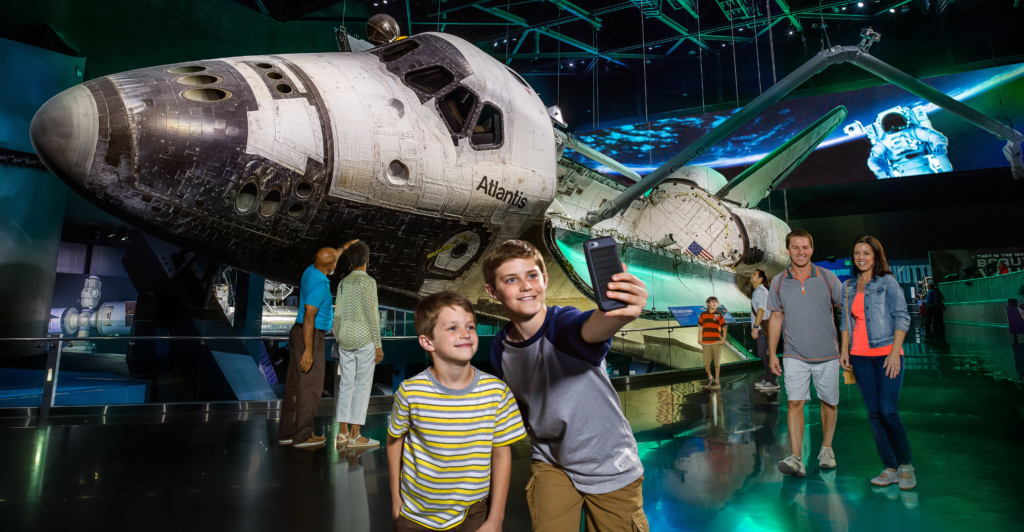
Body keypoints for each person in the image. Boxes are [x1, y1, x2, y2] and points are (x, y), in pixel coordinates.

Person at [484, 240, 650, 532]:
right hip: (551, 462)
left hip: (608, 462)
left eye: (532, 275)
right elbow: (521, 406)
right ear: (493, 292)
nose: (525, 286)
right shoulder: (500, 349)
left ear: (545, 280)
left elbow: (589, 329)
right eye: (511, 279)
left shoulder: (563, 326)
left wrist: (620, 312)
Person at [387, 292, 526, 532]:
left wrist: (496, 519)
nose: (466, 334)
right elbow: (394, 441)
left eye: (470, 326)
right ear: (427, 342)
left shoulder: (497, 392)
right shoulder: (410, 392)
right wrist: (396, 499)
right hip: (416, 515)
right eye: (452, 328)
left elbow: (502, 455)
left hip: (473, 513)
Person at [839, 235, 916, 490]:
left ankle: (905, 465)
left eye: (866, 253)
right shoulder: (848, 286)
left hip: (886, 355)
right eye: (857, 253)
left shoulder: (887, 282)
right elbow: (845, 324)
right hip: (860, 358)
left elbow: (902, 317)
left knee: (888, 411)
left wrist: (895, 352)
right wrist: (844, 351)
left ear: (875, 256)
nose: (860, 257)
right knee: (873, 414)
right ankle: (890, 468)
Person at [767, 229, 844, 477]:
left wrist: (846, 349)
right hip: (794, 355)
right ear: (788, 250)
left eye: (805, 247)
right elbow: (776, 319)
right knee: (794, 403)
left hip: (828, 355)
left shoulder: (828, 278)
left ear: (812, 249)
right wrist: (772, 353)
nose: (801, 252)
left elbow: (848, 313)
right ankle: (796, 457)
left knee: (829, 403)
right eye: (796, 248)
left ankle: (827, 449)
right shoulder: (778, 282)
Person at [279, 246, 346, 448]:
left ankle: (288, 433)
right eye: (335, 260)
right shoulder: (320, 286)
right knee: (310, 387)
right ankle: (303, 436)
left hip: (297, 333)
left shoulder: (310, 271)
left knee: (293, 386)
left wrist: (344, 247)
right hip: (310, 335)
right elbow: (309, 318)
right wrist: (308, 350)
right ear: (330, 265)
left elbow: (330, 257)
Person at [333, 241, 384, 448]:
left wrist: (338, 335)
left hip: (345, 339)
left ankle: (342, 432)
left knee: (346, 385)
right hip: (364, 339)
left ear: (350, 261)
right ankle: (355, 436)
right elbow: (373, 316)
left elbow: (337, 315)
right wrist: (378, 345)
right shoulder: (369, 283)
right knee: (362, 387)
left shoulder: (343, 283)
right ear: (367, 260)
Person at [750, 269, 778, 392]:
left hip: (762, 327)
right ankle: (768, 378)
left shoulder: (761, 291)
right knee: (763, 353)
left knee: (764, 353)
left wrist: (756, 327)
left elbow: (761, 310)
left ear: (760, 279)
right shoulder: (757, 291)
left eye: (754, 275)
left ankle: (773, 380)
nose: (751, 276)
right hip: (761, 327)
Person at [698, 297, 727, 390]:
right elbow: (701, 327)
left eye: (716, 302)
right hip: (706, 342)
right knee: (706, 363)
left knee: (717, 363)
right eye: (713, 302)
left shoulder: (719, 315)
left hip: (716, 342)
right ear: (708, 303)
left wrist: (723, 340)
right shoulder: (703, 315)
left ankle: (717, 381)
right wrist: (699, 339)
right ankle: (710, 377)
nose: (715, 304)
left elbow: (724, 327)